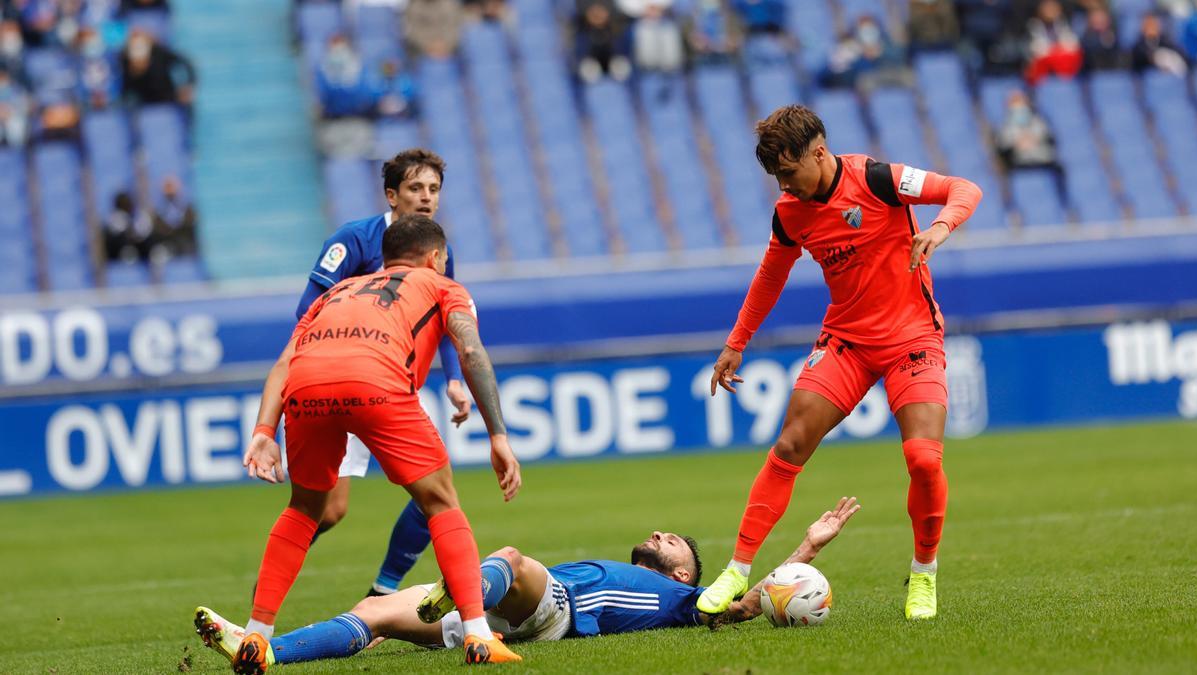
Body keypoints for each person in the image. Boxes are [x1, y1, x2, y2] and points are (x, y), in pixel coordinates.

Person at [697, 105, 982, 622]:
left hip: (912, 336)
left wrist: (940, 227)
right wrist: (736, 342)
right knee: (790, 444)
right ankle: (738, 568)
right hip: (846, 340)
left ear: (819, 153)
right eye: (777, 177)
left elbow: (965, 188)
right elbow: (770, 276)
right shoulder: (790, 212)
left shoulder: (878, 178)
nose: (785, 185)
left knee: (923, 459)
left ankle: (923, 574)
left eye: (789, 171)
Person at [233, 214, 524, 670]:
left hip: (306, 387)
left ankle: (255, 634)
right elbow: (470, 350)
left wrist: (264, 433)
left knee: (304, 509)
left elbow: (282, 364)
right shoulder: (444, 286)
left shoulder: (335, 292)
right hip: (376, 384)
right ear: (435, 257)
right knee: (441, 504)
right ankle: (478, 636)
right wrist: (498, 435)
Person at [194, 497, 861, 670]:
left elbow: (751, 601)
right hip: (512, 615)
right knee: (372, 609)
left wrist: (807, 547)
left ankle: (467, 594)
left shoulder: (686, 599)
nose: (661, 534)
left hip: (554, 612)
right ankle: (265, 650)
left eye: (673, 542)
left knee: (508, 556)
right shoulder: (643, 572)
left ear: (686, 571)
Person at [243, 149, 475, 600]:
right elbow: (305, 312)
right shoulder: (353, 240)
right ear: (392, 195)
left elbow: (448, 317)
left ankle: (383, 592)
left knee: (435, 495)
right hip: (338, 380)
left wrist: (453, 379)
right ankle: (270, 583)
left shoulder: (437, 248)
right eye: (415, 188)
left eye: (433, 190)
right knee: (329, 511)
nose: (426, 198)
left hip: (392, 391)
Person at [995, 89, 1058, 171]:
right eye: (1015, 102)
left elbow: (1048, 137)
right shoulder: (1003, 126)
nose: (1019, 107)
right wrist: (1017, 144)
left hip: (1041, 159)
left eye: (1020, 101)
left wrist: (1033, 141)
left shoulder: (1038, 121)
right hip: (1018, 163)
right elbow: (1002, 145)